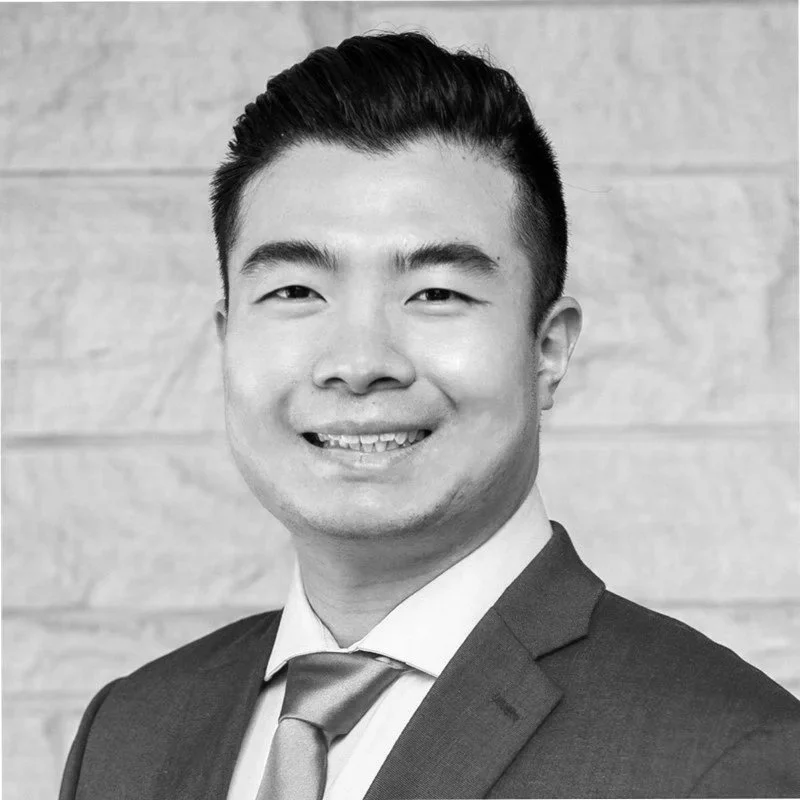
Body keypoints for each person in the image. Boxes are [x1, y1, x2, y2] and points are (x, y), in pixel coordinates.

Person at [59, 31, 800, 800]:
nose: (358, 360)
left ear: (547, 349)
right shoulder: (129, 731)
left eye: (437, 293)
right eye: (295, 292)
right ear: (226, 340)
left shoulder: (728, 758)